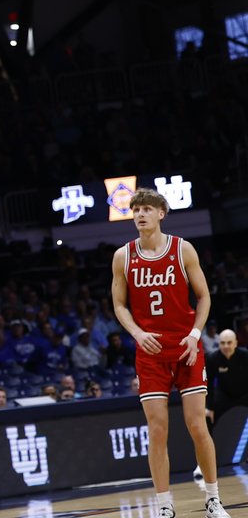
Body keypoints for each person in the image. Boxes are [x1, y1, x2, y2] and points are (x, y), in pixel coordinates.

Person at [111, 188, 228, 518]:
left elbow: (204, 297)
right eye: (135, 210)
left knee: (197, 425)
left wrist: (195, 334)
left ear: (162, 213)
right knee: (158, 428)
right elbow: (119, 304)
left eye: (147, 209)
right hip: (150, 354)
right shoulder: (123, 256)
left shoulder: (182, 249)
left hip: (186, 348)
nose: (140, 215)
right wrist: (136, 332)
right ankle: (164, 505)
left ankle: (213, 499)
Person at [205, 329, 248, 426]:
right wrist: (209, 407)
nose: (226, 346)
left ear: (235, 343)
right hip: (225, 395)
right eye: (222, 343)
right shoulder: (212, 359)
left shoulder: (245, 355)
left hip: (245, 394)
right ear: (219, 344)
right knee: (208, 415)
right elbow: (209, 385)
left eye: (229, 343)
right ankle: (211, 441)